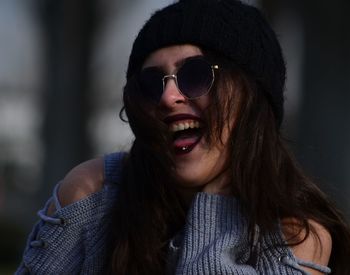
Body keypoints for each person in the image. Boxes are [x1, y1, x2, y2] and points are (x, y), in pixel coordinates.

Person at [16, 0, 350, 274]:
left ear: (253, 97)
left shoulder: (296, 238)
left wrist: (215, 213)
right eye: (150, 83)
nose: (168, 97)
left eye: (196, 74)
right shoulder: (93, 195)